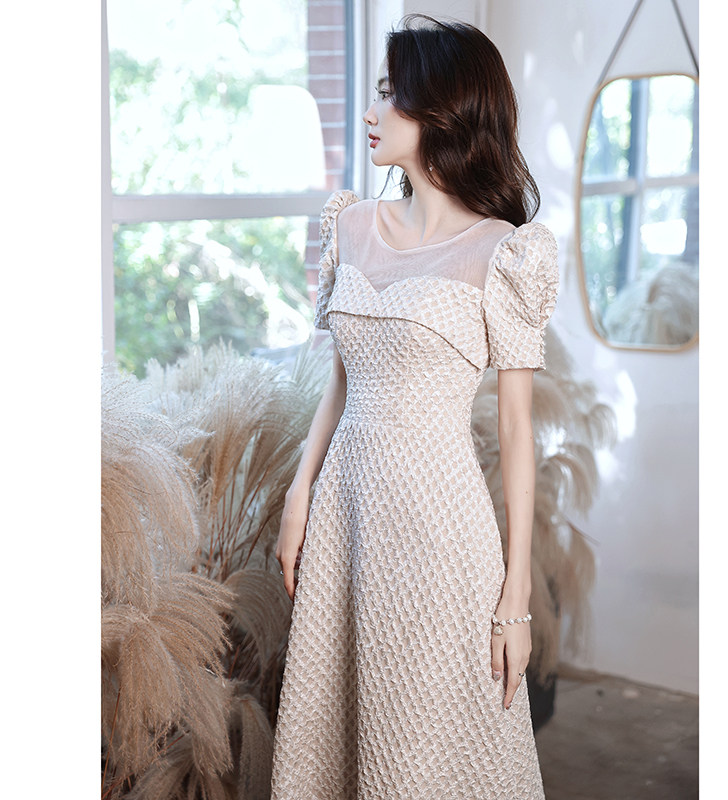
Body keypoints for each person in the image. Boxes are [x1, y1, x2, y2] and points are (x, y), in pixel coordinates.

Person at [271, 14, 557, 799]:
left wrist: (515, 599)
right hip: (346, 511)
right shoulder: (350, 224)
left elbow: (516, 431)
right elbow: (341, 379)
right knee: (336, 726)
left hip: (439, 526)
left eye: (389, 95)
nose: (370, 112)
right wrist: (299, 493)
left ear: (442, 109)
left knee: (423, 740)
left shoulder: (505, 251)